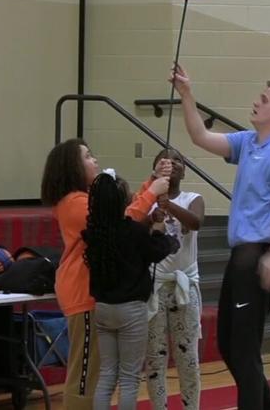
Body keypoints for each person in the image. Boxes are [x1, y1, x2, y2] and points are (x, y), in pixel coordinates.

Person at [168, 64, 270, 410]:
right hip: (239, 257)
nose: (256, 102)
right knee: (231, 347)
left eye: (264, 99)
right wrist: (187, 94)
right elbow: (200, 136)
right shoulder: (248, 143)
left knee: (244, 352)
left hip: (258, 257)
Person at [40, 138, 169, 410]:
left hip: (93, 294)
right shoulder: (74, 203)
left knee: (98, 374)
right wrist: (152, 191)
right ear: (71, 167)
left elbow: (118, 213)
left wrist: (152, 181)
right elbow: (119, 223)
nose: (95, 160)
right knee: (84, 375)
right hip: (82, 293)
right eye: (88, 156)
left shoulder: (84, 199)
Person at [83, 172, 178, 410]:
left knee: (107, 375)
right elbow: (156, 251)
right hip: (131, 311)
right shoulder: (132, 231)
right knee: (129, 378)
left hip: (103, 309)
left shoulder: (93, 234)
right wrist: (165, 235)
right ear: (122, 203)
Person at [144, 148, 205, 410]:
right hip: (156, 286)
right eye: (165, 159)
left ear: (185, 168)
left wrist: (170, 206)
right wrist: (153, 214)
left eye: (178, 159)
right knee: (155, 358)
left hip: (184, 287)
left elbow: (196, 222)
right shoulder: (146, 201)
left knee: (187, 356)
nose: (172, 162)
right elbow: (136, 230)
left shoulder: (194, 198)